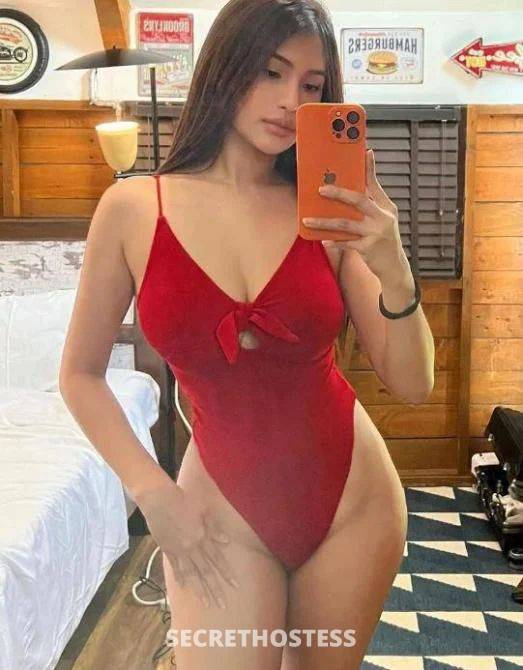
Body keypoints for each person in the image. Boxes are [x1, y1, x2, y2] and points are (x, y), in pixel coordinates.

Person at [59, 1, 434, 668]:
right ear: (224, 68)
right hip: (220, 505)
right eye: (270, 71)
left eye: (312, 85)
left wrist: (395, 268)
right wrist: (151, 491)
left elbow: (413, 384)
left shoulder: (329, 215)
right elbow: (80, 375)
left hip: (353, 500)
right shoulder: (133, 209)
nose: (291, 101)